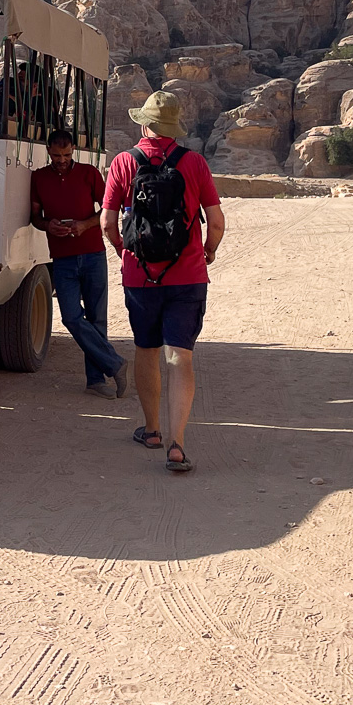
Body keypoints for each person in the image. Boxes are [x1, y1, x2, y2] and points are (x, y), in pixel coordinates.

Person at [100, 92, 225, 473]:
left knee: (147, 350)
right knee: (179, 356)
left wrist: (125, 249)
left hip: (140, 275)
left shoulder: (124, 162)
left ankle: (151, 430)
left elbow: (106, 222)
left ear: (144, 124)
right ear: (174, 127)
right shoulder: (194, 163)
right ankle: (177, 444)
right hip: (187, 274)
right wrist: (209, 250)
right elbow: (216, 221)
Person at [30, 131, 127, 399]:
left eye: (66, 155)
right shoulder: (38, 178)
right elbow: (35, 217)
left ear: (73, 150)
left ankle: (95, 381)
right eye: (56, 155)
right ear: (47, 151)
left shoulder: (89, 173)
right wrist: (47, 225)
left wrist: (84, 225)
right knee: (71, 317)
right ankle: (115, 363)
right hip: (61, 258)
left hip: (93, 254)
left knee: (97, 319)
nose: (61, 160)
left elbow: (108, 209)